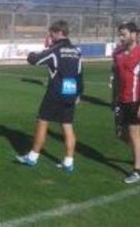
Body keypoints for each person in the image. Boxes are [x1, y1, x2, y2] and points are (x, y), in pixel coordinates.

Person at [16, 20, 83, 173]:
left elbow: (34, 60)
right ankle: (68, 161)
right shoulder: (76, 51)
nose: (50, 36)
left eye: (52, 33)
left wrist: (32, 53)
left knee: (42, 121)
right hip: (71, 91)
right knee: (67, 125)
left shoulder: (56, 49)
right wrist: (79, 93)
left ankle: (32, 157)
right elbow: (80, 74)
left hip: (55, 92)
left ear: (59, 33)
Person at [112, 22, 140, 184]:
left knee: (134, 134)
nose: (121, 37)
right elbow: (117, 78)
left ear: (134, 35)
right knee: (121, 135)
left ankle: (137, 171)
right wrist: (114, 98)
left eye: (124, 34)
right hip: (121, 100)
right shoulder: (118, 53)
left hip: (136, 101)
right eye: (120, 34)